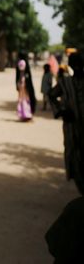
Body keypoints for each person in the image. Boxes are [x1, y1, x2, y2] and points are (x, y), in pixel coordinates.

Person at [48, 52, 84, 195]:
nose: (78, 67)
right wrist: (62, 110)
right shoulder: (66, 83)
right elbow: (51, 95)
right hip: (73, 127)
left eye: (80, 64)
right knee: (76, 157)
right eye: (74, 64)